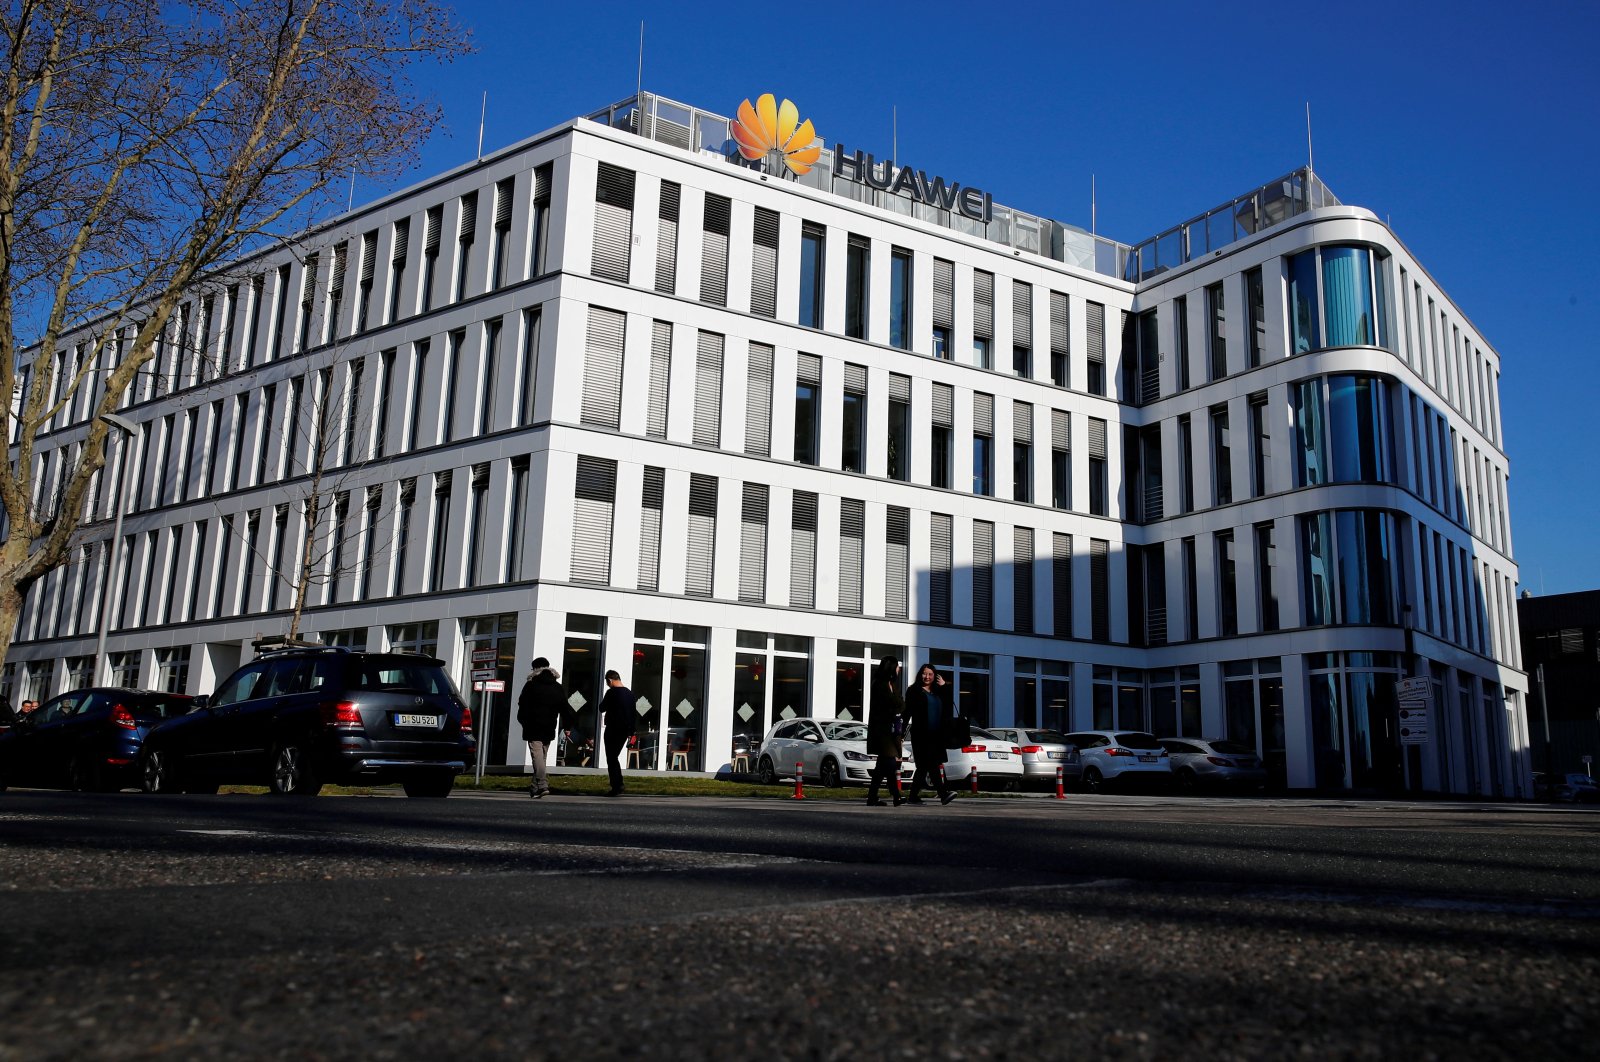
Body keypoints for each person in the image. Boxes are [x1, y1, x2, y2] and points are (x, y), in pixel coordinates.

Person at [904, 663, 956, 805]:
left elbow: (949, 703)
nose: (927, 677)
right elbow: (907, 712)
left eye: (930, 674)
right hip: (921, 735)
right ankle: (942, 794)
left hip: (936, 736)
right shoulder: (914, 691)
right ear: (920, 674)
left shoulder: (937, 691)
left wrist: (945, 686)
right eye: (924, 673)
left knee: (926, 766)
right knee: (929, 765)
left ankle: (913, 796)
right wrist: (901, 733)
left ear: (935, 676)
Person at [516, 657, 564, 799]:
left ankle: (542, 785)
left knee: (537, 756)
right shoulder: (557, 687)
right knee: (541, 757)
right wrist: (568, 725)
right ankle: (535, 787)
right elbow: (564, 706)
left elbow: (522, 704)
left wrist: (523, 721)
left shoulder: (531, 685)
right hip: (549, 726)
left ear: (535, 669)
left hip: (533, 726)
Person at [865, 656, 905, 806]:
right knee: (889, 763)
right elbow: (895, 703)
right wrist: (899, 704)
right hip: (882, 731)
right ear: (891, 668)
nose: (899, 669)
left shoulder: (891, 684)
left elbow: (900, 704)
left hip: (890, 729)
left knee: (882, 766)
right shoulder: (880, 685)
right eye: (897, 666)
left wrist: (899, 704)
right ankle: (896, 795)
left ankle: (872, 797)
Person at [598, 670, 636, 796]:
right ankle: (618, 784)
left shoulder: (611, 693)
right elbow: (633, 715)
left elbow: (601, 707)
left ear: (610, 680)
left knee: (611, 757)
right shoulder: (630, 694)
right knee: (614, 756)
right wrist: (632, 732)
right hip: (625, 730)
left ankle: (617, 785)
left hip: (613, 729)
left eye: (607, 682)